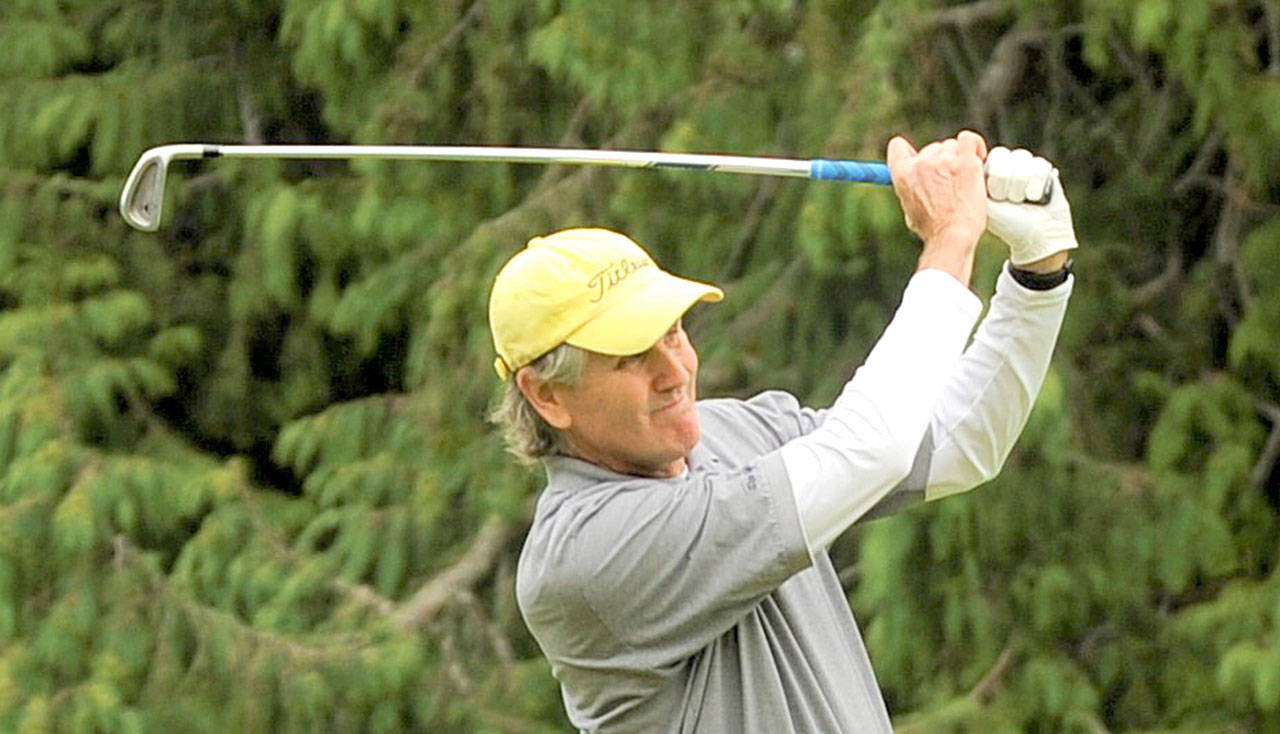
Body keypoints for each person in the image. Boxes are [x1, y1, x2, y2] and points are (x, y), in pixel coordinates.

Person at [487, 130, 1077, 732]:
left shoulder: (729, 432)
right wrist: (951, 240)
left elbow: (955, 444)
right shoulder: (584, 557)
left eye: (672, 332)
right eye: (630, 355)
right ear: (547, 395)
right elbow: (868, 451)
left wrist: (1038, 276)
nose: (675, 371)